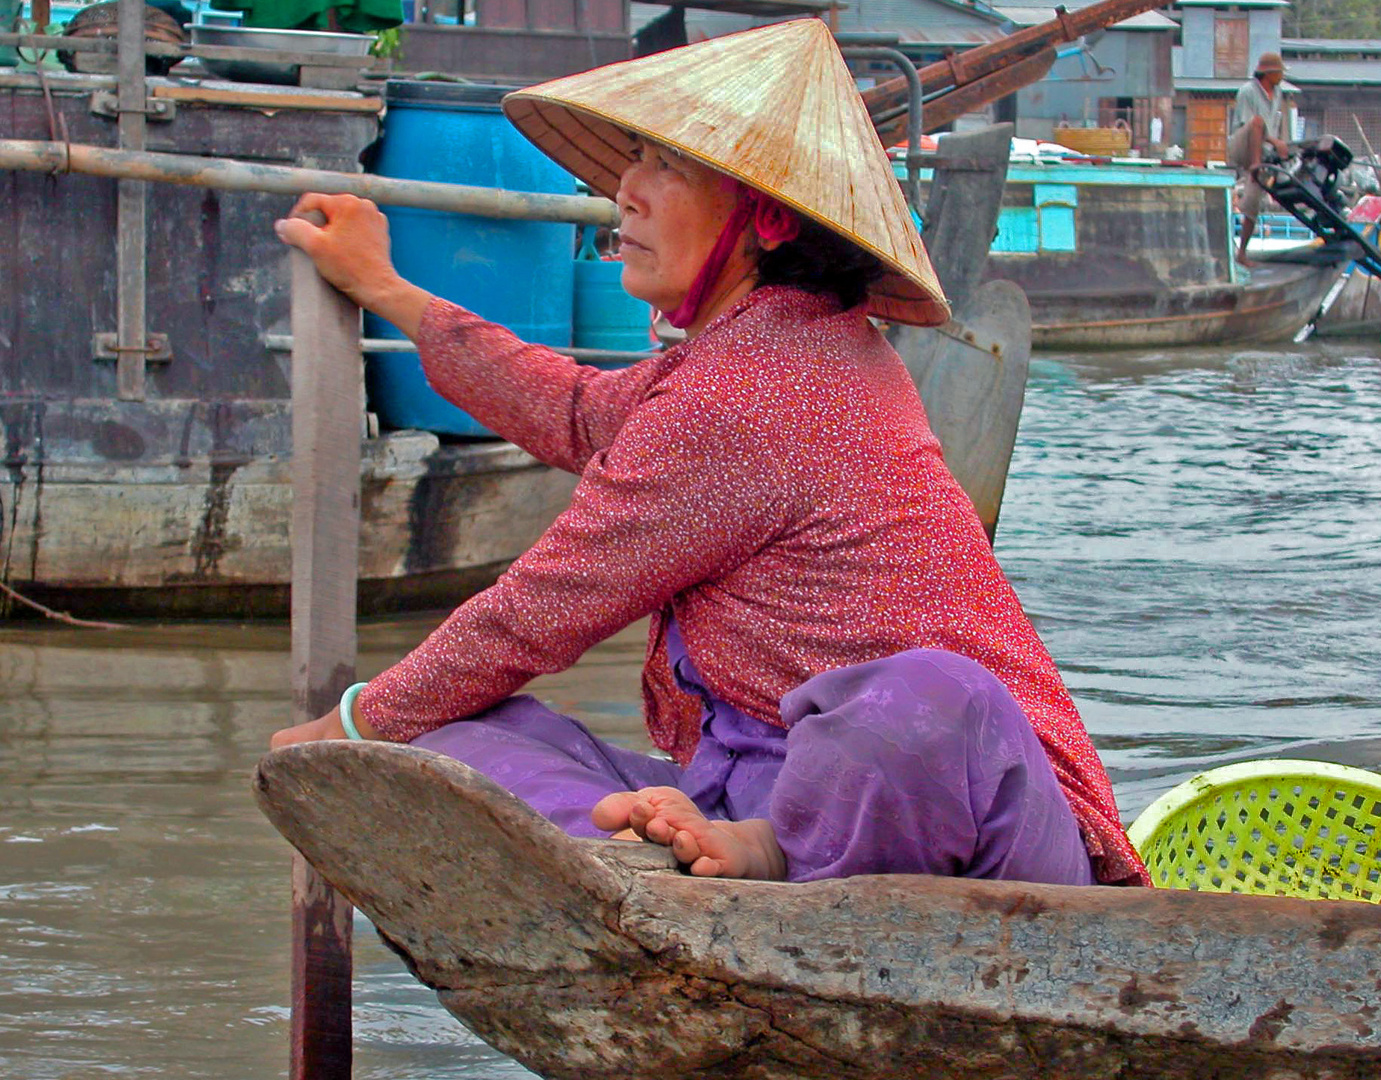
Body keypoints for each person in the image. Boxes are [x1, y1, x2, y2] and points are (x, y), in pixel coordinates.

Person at [269, 19, 1148, 890]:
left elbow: (537, 611)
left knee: (927, 702)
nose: (627, 192)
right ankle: (703, 855)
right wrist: (387, 289)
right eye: (635, 162)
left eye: (666, 168)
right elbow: (577, 411)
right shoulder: (756, 354)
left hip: (961, 820)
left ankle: (768, 852)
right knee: (447, 746)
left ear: (763, 219)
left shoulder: (753, 390)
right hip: (746, 794)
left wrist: (349, 725)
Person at [1229, 52, 1290, 268]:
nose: (1282, 76)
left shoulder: (1279, 93)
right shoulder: (1248, 91)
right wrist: (1274, 143)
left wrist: (1282, 149)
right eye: (1279, 72)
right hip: (1242, 145)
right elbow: (1253, 125)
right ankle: (1255, 166)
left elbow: (1273, 128)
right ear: (1269, 73)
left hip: (1263, 149)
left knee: (1253, 202)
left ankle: (1242, 253)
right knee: (1257, 122)